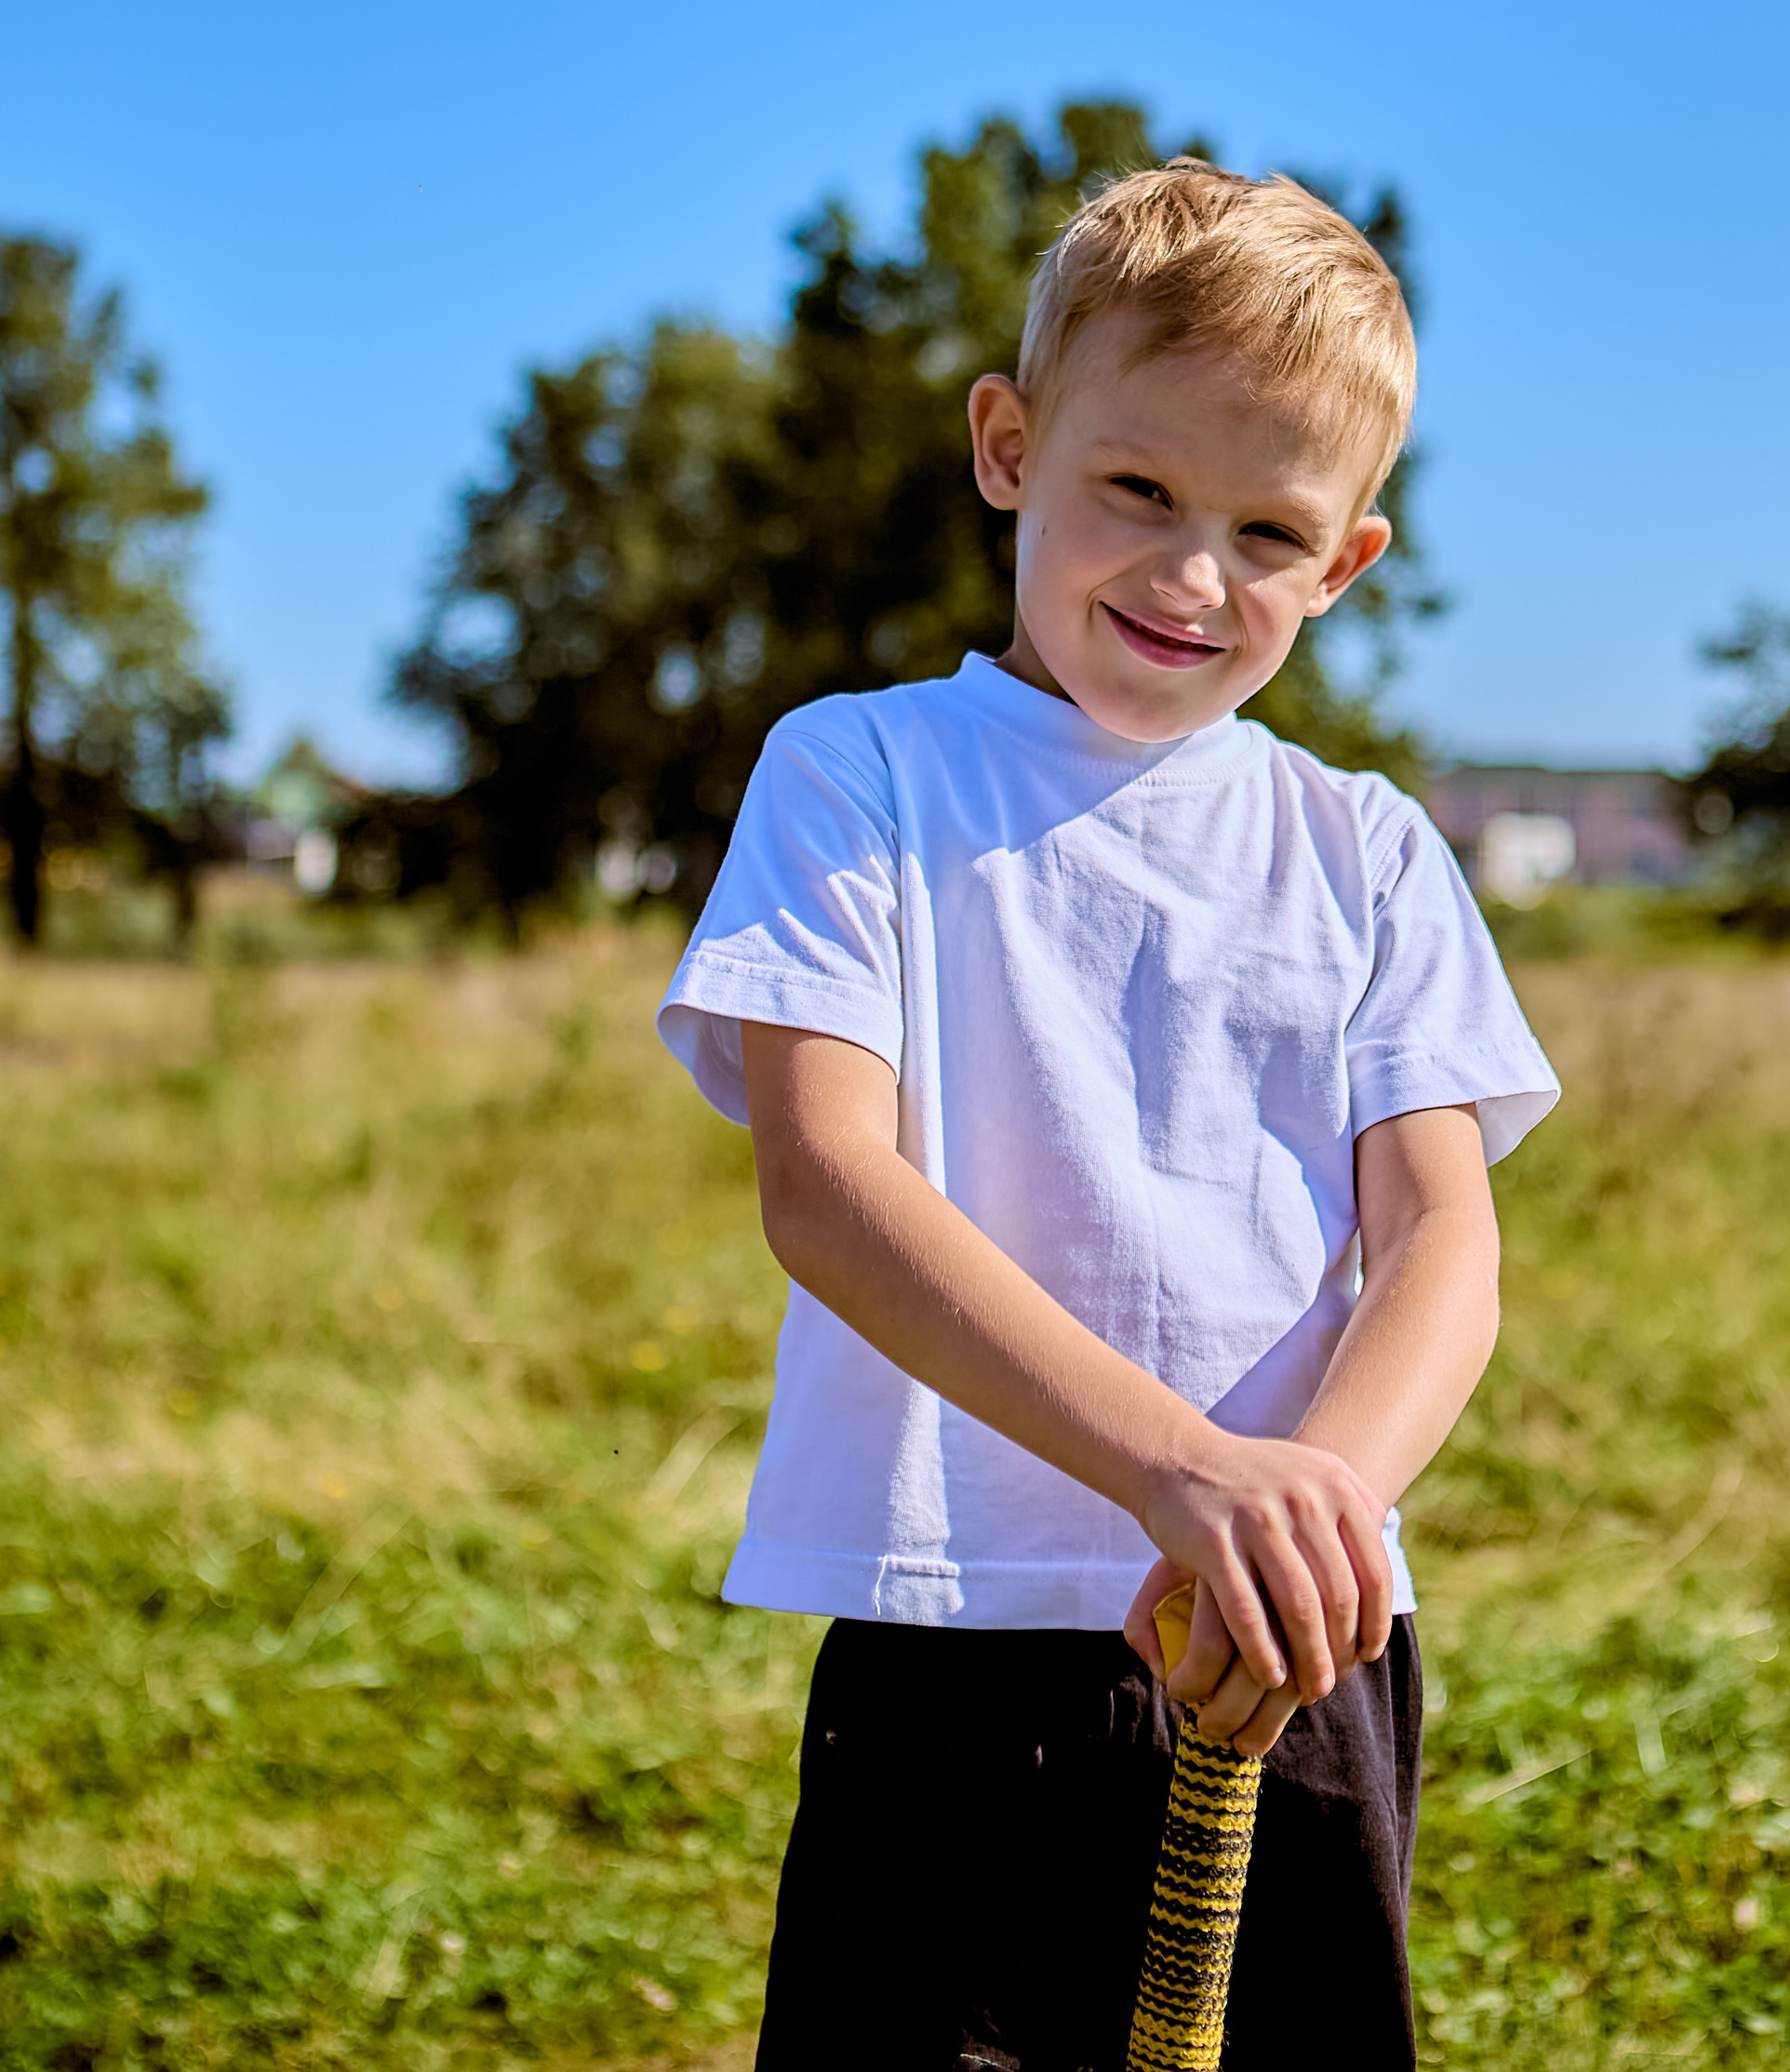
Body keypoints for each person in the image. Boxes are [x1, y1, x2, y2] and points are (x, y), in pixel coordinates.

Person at [657, 159, 1558, 2070]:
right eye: (1138, 489)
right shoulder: (861, 776)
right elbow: (824, 1182)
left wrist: (1309, 1504)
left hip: (1290, 1642)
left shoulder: (1368, 851)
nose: (1190, 576)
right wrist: (1178, 1472)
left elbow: (1440, 1237)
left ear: (1345, 565)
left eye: (1266, 530)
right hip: (961, 1634)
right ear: (1010, 446)